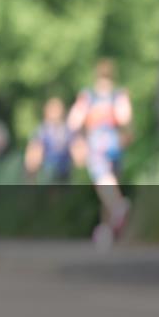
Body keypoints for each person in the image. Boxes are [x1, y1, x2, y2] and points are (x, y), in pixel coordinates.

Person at [68, 59, 132, 240]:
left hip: (96, 146)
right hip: (115, 145)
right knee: (110, 189)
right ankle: (107, 231)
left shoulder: (88, 96)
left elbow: (73, 122)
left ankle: (118, 207)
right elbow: (125, 119)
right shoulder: (118, 95)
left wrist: (78, 144)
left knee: (105, 187)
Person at [24, 97, 83, 182]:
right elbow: (34, 149)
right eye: (53, 110)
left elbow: (77, 147)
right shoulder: (42, 130)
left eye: (58, 109)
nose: (56, 112)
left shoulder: (68, 129)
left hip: (66, 167)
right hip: (48, 168)